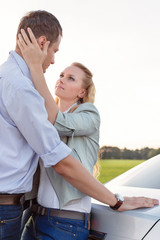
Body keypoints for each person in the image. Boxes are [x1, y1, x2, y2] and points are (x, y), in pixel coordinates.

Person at [16, 28, 159, 240]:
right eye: (61, 75)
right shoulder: (47, 117)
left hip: (65, 223)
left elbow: (59, 122)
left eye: (71, 78)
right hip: (36, 218)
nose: (62, 79)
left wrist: (36, 66)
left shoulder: (89, 113)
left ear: (82, 92)